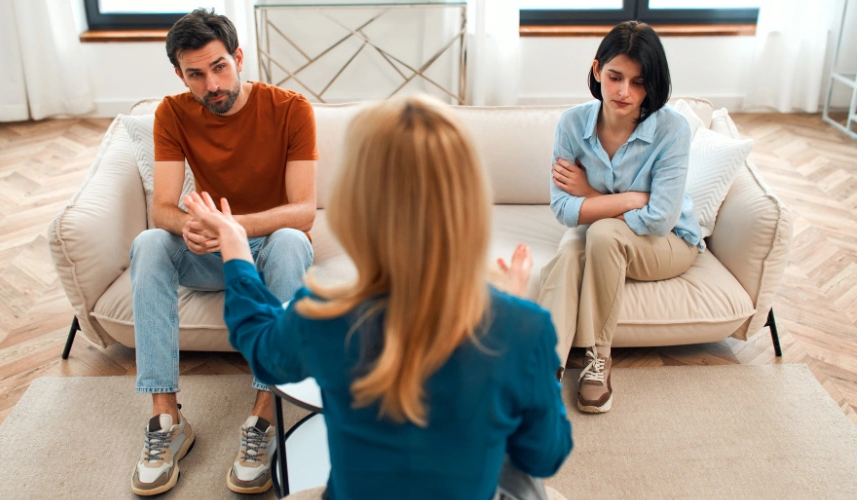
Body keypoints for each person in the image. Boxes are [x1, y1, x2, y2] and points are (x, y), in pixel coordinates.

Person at [183, 95, 573, 500]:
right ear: (470, 200)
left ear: (356, 203)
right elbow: (544, 456)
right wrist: (518, 319)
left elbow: (262, 347)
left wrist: (235, 247)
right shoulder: (524, 328)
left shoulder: (321, 316)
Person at [128, 9, 318, 496]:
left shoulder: (291, 109)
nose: (211, 84)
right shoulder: (171, 112)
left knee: (293, 240)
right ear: (179, 74)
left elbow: (302, 211)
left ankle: (264, 415)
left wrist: (231, 227)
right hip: (213, 251)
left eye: (219, 67)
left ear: (238, 57)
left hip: (268, 247)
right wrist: (192, 226)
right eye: (195, 74)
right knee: (150, 242)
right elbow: (163, 209)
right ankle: (165, 418)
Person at [538, 21, 702, 414]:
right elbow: (563, 209)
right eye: (615, 77)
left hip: (669, 243)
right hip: (599, 233)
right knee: (570, 253)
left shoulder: (672, 130)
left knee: (604, 234)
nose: (625, 92)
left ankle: (598, 359)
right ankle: (541, 369)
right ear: (597, 72)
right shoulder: (572, 124)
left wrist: (591, 197)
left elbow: (660, 219)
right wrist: (630, 198)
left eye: (639, 82)